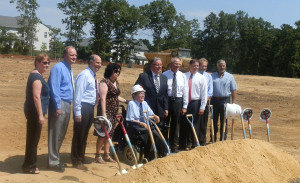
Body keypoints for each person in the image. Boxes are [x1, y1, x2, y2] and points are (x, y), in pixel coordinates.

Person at [47, 46, 77, 172]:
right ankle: (53, 162)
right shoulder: (58, 68)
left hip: (67, 103)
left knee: (61, 133)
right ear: (65, 55)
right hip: (59, 104)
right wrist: (58, 107)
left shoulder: (69, 69)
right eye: (71, 55)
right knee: (55, 133)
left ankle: (55, 158)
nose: (74, 57)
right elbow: (54, 88)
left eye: (75, 55)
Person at [71, 55, 102, 170]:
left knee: (84, 134)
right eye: (97, 62)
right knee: (79, 134)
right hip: (83, 106)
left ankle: (81, 156)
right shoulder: (84, 75)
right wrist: (78, 112)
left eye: (100, 63)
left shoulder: (93, 76)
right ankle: (76, 160)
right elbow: (78, 94)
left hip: (89, 108)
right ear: (90, 62)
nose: (99, 65)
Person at [22, 54, 50, 174]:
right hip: (34, 112)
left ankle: (29, 164)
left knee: (32, 139)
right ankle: (30, 166)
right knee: (33, 140)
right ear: (37, 63)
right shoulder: (36, 77)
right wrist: (40, 115)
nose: (46, 65)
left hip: (33, 111)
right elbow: (36, 97)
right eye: (44, 63)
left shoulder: (36, 75)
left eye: (48, 63)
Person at [94, 63, 127, 164]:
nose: (117, 73)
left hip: (114, 112)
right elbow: (103, 99)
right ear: (110, 71)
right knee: (103, 134)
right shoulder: (104, 82)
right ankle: (98, 155)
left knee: (110, 134)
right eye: (115, 71)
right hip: (106, 112)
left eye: (119, 72)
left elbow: (116, 97)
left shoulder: (116, 82)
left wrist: (126, 101)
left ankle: (106, 155)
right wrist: (104, 114)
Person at [126, 84, 168, 160]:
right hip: (136, 126)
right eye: (140, 93)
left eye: (143, 93)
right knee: (149, 134)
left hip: (146, 125)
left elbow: (151, 113)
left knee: (157, 133)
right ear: (134, 95)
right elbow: (130, 119)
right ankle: (150, 156)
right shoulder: (131, 104)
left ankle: (162, 152)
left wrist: (156, 117)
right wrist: (141, 123)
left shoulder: (144, 103)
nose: (143, 95)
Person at [135, 57, 169, 138]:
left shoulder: (164, 78)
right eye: (157, 65)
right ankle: (150, 149)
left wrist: (166, 108)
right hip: (148, 109)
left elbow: (165, 94)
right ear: (151, 66)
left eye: (160, 65)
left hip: (160, 109)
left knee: (160, 130)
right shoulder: (143, 77)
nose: (159, 67)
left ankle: (160, 148)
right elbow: (135, 91)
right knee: (149, 131)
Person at [180, 59, 207, 150]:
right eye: (194, 66)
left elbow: (204, 93)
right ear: (189, 66)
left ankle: (194, 143)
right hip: (185, 103)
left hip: (196, 103)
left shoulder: (201, 78)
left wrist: (202, 107)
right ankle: (185, 144)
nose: (196, 67)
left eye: (197, 66)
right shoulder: (184, 76)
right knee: (184, 124)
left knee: (195, 124)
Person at [163, 57, 188, 153]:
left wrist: (184, 106)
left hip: (178, 101)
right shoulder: (164, 75)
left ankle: (173, 147)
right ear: (171, 64)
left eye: (179, 64)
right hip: (167, 100)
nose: (177, 66)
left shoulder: (182, 76)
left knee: (175, 125)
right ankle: (164, 147)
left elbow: (185, 91)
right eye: (175, 64)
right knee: (165, 124)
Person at [211, 59, 237, 141]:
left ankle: (223, 138)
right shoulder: (212, 76)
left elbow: (234, 90)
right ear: (217, 66)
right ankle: (213, 138)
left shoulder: (230, 76)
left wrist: (234, 103)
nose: (222, 67)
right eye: (220, 66)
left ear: (225, 66)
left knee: (224, 120)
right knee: (213, 120)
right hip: (214, 101)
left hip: (225, 101)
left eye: (223, 66)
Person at [199, 58, 213, 146]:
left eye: (205, 66)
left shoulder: (208, 76)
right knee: (196, 122)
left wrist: (205, 100)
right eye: (202, 66)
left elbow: (210, 91)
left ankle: (202, 140)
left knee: (204, 122)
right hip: (196, 101)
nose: (204, 68)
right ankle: (194, 140)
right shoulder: (195, 75)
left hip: (205, 102)